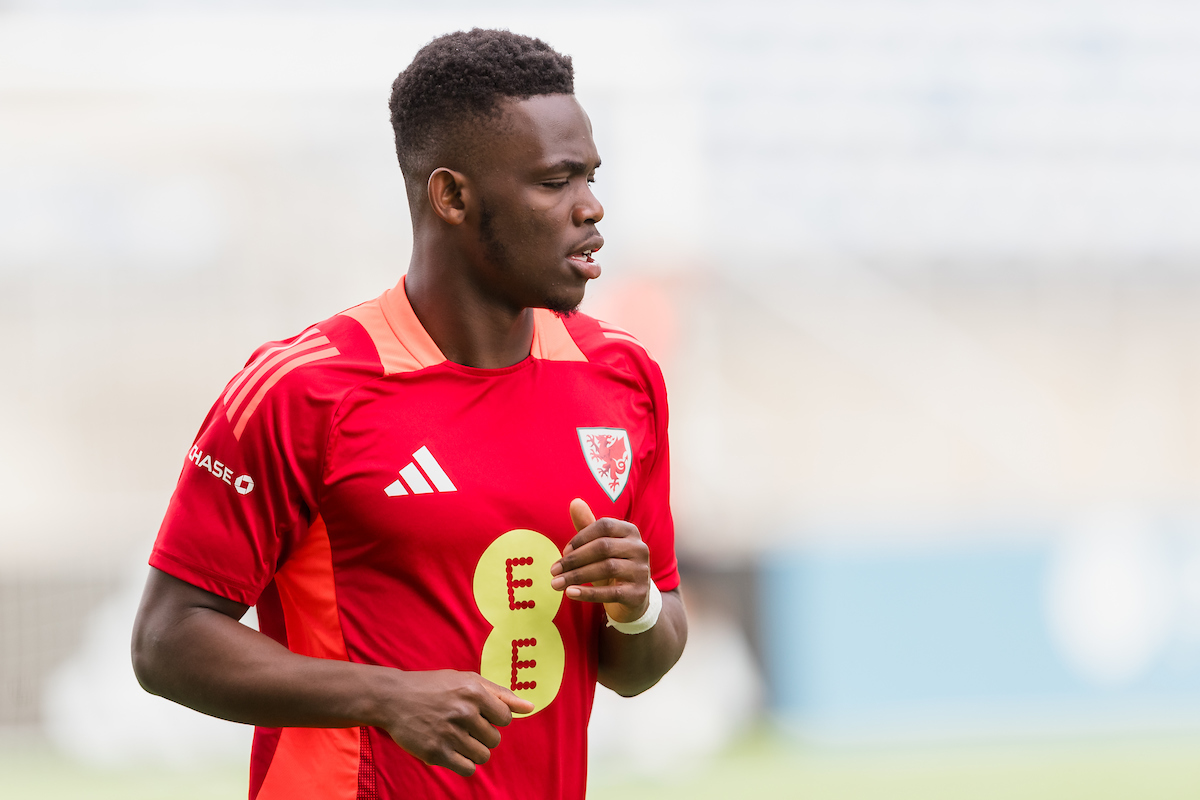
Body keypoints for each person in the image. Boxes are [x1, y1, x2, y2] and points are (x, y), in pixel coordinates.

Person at [130, 28, 687, 800]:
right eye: (555, 182)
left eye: (590, 177)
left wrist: (638, 607)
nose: (590, 207)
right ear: (452, 197)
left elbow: (638, 667)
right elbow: (166, 640)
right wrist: (383, 697)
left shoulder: (622, 377)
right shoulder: (304, 389)